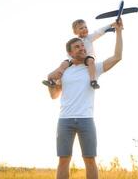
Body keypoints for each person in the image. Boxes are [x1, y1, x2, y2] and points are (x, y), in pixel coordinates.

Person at [45, 19, 123, 179]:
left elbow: (117, 57)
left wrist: (119, 32)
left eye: (83, 46)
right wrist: (51, 84)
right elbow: (54, 96)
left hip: (86, 120)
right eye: (77, 47)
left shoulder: (94, 68)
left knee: (90, 159)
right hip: (65, 120)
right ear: (70, 53)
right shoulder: (64, 71)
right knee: (63, 160)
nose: (82, 48)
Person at [43, 19, 116, 89]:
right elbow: (69, 52)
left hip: (87, 58)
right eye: (81, 28)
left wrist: (111, 25)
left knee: (91, 61)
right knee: (63, 64)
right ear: (75, 32)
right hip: (74, 59)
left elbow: (99, 32)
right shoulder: (75, 42)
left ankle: (93, 81)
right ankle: (51, 79)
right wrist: (71, 60)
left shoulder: (89, 38)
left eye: (85, 27)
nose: (84, 29)